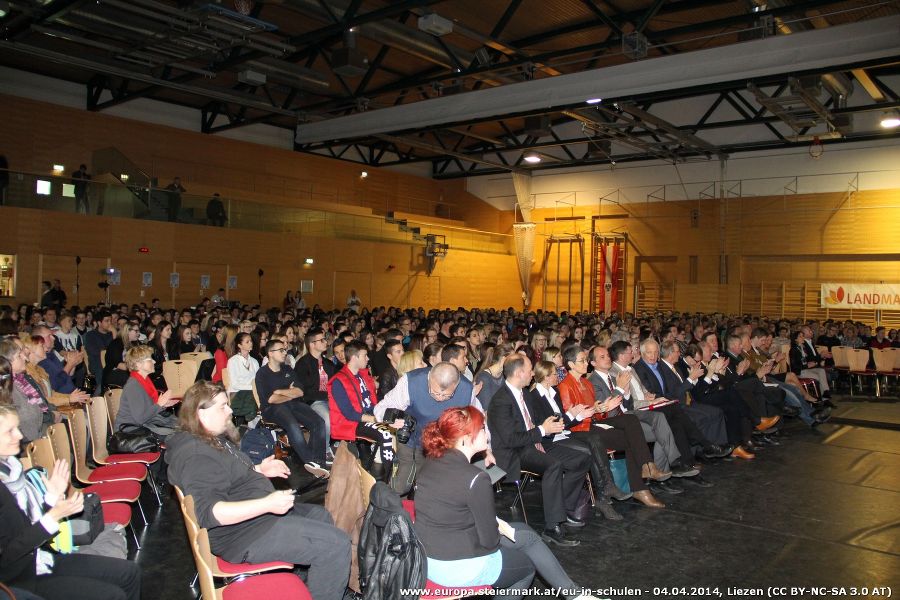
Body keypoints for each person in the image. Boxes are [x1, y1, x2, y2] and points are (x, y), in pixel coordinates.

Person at [165, 381, 351, 600]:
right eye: (223, 407)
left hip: (254, 520)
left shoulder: (206, 439)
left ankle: (308, 587)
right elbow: (210, 512)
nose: (231, 411)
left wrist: (258, 469)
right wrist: (267, 504)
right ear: (201, 414)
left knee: (320, 515)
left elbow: (224, 474)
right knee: (337, 545)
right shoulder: (197, 456)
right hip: (244, 535)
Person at [415, 405, 601, 600]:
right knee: (526, 567)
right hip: (459, 566)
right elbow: (489, 542)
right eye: (482, 429)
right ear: (466, 437)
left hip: (429, 559)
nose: (487, 433)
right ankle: (576, 596)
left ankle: (576, 595)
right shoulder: (475, 478)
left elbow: (451, 507)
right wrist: (497, 527)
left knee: (527, 534)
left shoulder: (430, 464)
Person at [0, 404, 143, 600]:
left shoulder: (11, 470)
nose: (19, 435)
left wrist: (51, 497)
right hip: (19, 580)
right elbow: (7, 557)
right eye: (10, 431)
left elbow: (30, 525)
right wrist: (52, 517)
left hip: (41, 559)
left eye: (17, 427)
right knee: (113, 595)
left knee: (130, 572)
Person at [486, 355, 591, 547]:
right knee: (553, 465)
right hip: (514, 452)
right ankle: (552, 527)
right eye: (529, 370)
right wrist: (542, 430)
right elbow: (511, 440)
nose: (533, 373)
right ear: (519, 373)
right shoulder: (500, 401)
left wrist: (544, 430)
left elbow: (532, 424)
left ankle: (563, 509)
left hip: (533, 443)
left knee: (582, 459)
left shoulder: (524, 393)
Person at [327, 341, 402, 481]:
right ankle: (388, 480)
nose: (368, 359)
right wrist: (378, 419)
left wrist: (387, 414)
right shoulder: (339, 381)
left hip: (370, 416)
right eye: (364, 355)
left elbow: (375, 402)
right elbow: (350, 414)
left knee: (400, 427)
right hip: (352, 423)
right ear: (354, 357)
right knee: (386, 434)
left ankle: (378, 471)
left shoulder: (363, 375)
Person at [255, 339, 329, 478]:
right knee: (293, 425)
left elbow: (300, 392)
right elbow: (270, 399)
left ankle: (319, 463)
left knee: (319, 422)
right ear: (270, 353)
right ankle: (310, 461)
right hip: (271, 409)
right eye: (281, 350)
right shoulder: (262, 374)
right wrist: (289, 393)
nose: (285, 353)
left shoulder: (288, 369)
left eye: (285, 350)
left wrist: (279, 392)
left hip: (292, 404)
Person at [116, 346, 179, 439]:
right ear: (138, 364)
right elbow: (140, 419)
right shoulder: (133, 386)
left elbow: (148, 410)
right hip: (129, 432)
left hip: (142, 426)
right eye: (150, 359)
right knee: (178, 436)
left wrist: (164, 405)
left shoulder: (144, 381)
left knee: (182, 428)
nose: (154, 362)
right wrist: (159, 404)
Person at [224, 332, 259, 422]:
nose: (251, 343)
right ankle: (249, 417)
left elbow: (258, 379)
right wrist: (253, 387)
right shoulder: (233, 361)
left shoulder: (254, 361)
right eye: (247, 342)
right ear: (239, 345)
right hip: (237, 393)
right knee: (253, 396)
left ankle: (251, 417)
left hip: (252, 393)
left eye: (251, 341)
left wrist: (255, 388)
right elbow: (234, 384)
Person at [84, 310, 114, 394]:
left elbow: (115, 350)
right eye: (106, 321)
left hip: (110, 364)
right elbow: (96, 352)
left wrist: (114, 333)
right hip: (96, 364)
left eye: (110, 321)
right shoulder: (91, 335)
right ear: (99, 323)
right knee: (103, 373)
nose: (109, 323)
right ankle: (96, 398)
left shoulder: (111, 335)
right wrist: (114, 332)